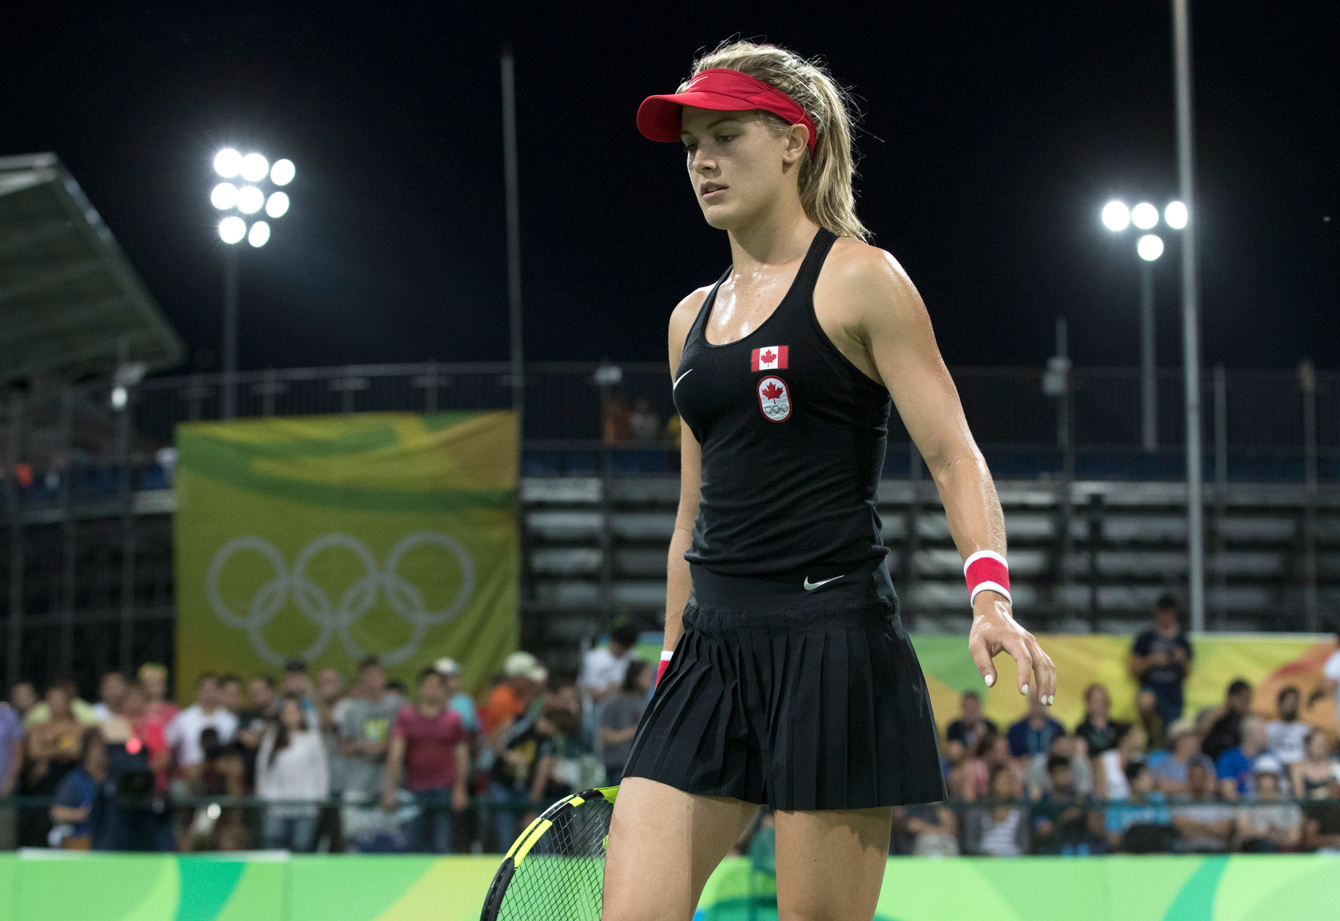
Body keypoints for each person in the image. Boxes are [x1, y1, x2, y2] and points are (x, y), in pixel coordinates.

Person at [607, 41, 1056, 920]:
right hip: (710, 649)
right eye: (692, 145)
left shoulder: (861, 280)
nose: (702, 162)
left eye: (726, 136)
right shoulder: (688, 318)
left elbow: (953, 453)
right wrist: (668, 658)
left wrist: (990, 596)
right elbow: (691, 514)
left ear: (793, 140)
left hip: (833, 642)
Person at [381, 667, 470, 854]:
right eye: (427, 685)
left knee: (442, 844)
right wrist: (391, 789)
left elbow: (461, 755)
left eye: (436, 686)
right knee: (412, 845)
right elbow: (396, 754)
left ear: (443, 690)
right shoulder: (406, 717)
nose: (431, 690)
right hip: (414, 789)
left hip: (445, 790)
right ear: (420, 687)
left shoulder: (453, 719)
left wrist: (460, 788)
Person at [256, 694, 328, 851]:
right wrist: (263, 797)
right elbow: (262, 770)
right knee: (274, 847)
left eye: (293, 711)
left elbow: (320, 771)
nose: (289, 716)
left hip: (305, 805)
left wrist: (320, 798)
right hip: (277, 805)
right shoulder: (272, 738)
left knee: (302, 847)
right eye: (286, 712)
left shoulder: (312, 738)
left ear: (301, 714)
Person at [339, 657, 404, 807]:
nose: (372, 680)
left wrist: (387, 746)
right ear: (361, 680)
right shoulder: (352, 710)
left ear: (383, 676)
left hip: (390, 786)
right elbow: (343, 747)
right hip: (358, 785)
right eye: (367, 676)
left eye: (375, 675)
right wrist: (362, 746)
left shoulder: (398, 704)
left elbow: (408, 740)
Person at [1130, 594, 1193, 726]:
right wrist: (1152, 660)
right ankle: (1149, 733)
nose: (1166, 618)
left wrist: (1182, 660)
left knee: (1175, 730)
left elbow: (1188, 672)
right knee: (1146, 702)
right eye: (1163, 614)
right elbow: (1134, 669)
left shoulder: (1182, 639)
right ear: (1157, 614)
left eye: (1169, 614)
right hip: (1152, 687)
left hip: (1173, 692)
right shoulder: (1146, 637)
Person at [164, 673, 238, 780]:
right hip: (189, 777)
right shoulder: (183, 718)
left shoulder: (230, 720)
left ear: (219, 692)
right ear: (198, 692)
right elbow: (167, 744)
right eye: (206, 690)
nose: (209, 694)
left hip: (222, 777)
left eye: (212, 690)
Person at [1031, 755, 1101, 856]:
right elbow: (1043, 831)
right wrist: (1066, 817)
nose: (1066, 776)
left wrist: (1085, 810)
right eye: (1061, 772)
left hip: (1083, 854)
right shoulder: (1043, 802)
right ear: (1050, 775)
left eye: (1068, 771)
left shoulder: (1081, 799)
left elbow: (1099, 830)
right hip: (1054, 855)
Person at [49, 730, 107, 849]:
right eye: (95, 746)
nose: (100, 751)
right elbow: (56, 811)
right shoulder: (75, 779)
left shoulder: (112, 779)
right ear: (86, 750)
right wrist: (82, 814)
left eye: (104, 746)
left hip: (108, 841)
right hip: (81, 839)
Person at [1236, 756, 1303, 853]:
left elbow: (1295, 837)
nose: (1266, 781)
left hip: (1281, 852)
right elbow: (1243, 830)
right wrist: (1267, 834)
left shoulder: (1289, 804)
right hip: (1253, 850)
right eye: (1263, 777)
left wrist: (1278, 839)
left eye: (1270, 777)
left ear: (1277, 779)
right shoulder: (1248, 801)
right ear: (1256, 779)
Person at [601, 660, 652, 785]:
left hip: (639, 767)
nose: (651, 680)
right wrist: (635, 731)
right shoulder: (616, 702)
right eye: (647, 675)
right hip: (619, 766)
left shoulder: (645, 703)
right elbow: (605, 736)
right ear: (636, 678)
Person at [1105, 762, 1172, 854]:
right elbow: (1113, 839)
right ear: (1132, 781)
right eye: (1144, 778)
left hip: (1155, 853)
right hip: (1127, 854)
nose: (1149, 782)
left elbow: (1163, 831)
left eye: (1149, 777)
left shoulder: (1158, 800)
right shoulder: (1117, 805)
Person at [1171, 760, 1235, 853]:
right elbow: (1183, 831)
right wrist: (1211, 828)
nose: (1198, 780)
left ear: (1206, 778)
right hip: (1188, 852)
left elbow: (1224, 831)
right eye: (1194, 776)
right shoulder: (1180, 801)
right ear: (1189, 778)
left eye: (1201, 776)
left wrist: (1195, 825)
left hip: (1216, 851)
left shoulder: (1219, 801)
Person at [579, 621, 641, 704]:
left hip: (626, 705)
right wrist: (613, 688)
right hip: (599, 705)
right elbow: (591, 693)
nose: (626, 651)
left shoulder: (633, 658)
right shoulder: (593, 659)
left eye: (628, 648)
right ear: (615, 642)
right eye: (624, 647)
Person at [1149, 718, 1211, 795]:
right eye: (1190, 736)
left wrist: (1177, 785)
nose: (1196, 740)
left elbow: (1211, 785)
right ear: (1178, 740)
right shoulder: (1165, 763)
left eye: (1195, 736)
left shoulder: (1205, 761)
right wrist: (1193, 785)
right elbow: (1162, 786)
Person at [1201, 679, 1253, 763]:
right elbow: (1200, 732)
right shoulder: (1216, 714)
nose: (1247, 705)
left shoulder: (1244, 719)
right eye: (1244, 701)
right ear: (1232, 698)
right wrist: (1217, 714)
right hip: (1211, 759)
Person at [1075, 683, 1127, 757]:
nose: (1100, 705)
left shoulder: (1118, 728)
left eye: (1102, 701)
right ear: (1088, 705)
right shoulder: (1082, 730)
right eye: (1096, 701)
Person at [945, 690, 998, 761]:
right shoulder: (954, 728)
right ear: (962, 708)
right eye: (968, 708)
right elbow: (954, 755)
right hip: (962, 763)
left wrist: (985, 738)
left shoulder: (990, 727)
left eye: (973, 708)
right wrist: (977, 742)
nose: (971, 713)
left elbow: (994, 753)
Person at [1266, 686, 1310, 767]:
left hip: (1298, 766)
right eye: (1287, 702)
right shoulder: (1270, 727)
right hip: (1275, 767)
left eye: (1293, 702)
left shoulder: (1304, 729)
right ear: (1280, 703)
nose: (1290, 705)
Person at [1290, 729, 1340, 800]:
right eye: (1317, 743)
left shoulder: (1335, 766)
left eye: (1323, 743)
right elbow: (1300, 796)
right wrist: (1323, 793)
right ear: (1308, 745)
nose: (1320, 747)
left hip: (1332, 806)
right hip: (1308, 806)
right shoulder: (1299, 769)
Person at [0, 694, 21, 849]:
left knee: (4, 840)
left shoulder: (7, 714)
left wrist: (10, 781)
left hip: (3, 789)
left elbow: (17, 751)